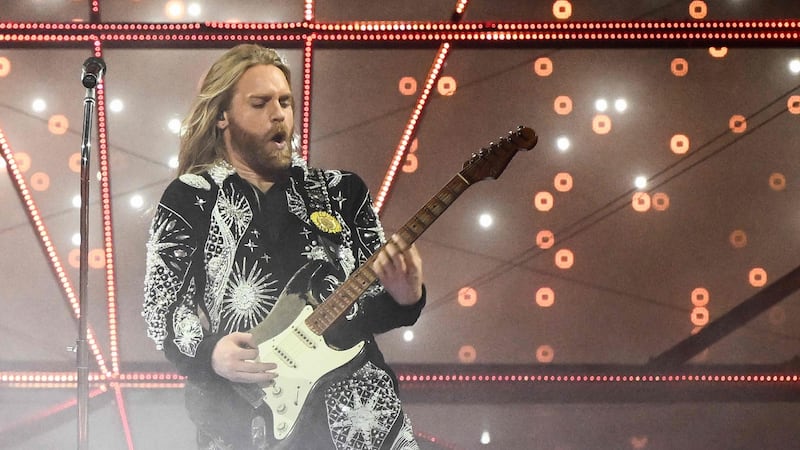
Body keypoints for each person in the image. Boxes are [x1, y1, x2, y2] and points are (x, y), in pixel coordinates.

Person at [143, 44, 426, 449]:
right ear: (222, 116)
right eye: (260, 103)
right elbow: (164, 309)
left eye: (285, 102)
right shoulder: (192, 196)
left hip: (355, 417)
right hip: (245, 418)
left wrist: (405, 297)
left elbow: (371, 305)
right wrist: (211, 353)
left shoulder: (340, 191)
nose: (279, 114)